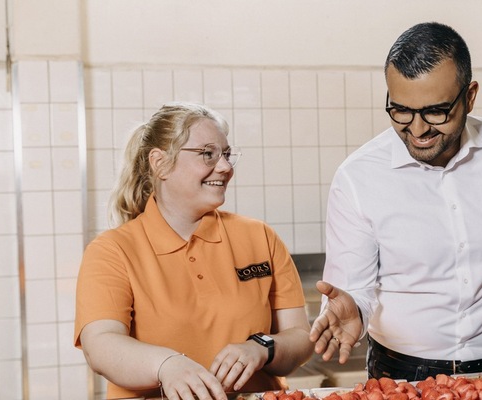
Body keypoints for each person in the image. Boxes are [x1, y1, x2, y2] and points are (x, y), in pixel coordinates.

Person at [308, 22, 482, 381]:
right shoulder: (358, 176)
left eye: (436, 112)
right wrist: (354, 309)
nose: (417, 130)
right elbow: (354, 286)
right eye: (401, 111)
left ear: (469, 96)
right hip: (401, 372)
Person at [74, 102, 314, 400]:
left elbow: (300, 338)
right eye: (207, 154)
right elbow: (101, 345)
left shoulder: (259, 236)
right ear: (160, 163)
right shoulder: (113, 251)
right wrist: (166, 364)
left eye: (226, 154)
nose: (225, 167)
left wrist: (261, 347)